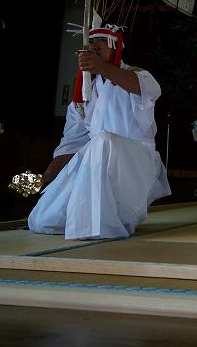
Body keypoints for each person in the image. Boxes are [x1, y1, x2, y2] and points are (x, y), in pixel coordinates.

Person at [28, 22, 171, 239]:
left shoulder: (137, 75)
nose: (94, 45)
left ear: (116, 46)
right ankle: (95, 221)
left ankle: (103, 226)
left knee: (103, 140)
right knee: (43, 220)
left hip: (134, 162)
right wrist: (46, 176)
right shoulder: (83, 96)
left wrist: (101, 68)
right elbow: (72, 143)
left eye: (102, 41)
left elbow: (151, 90)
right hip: (94, 162)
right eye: (91, 41)